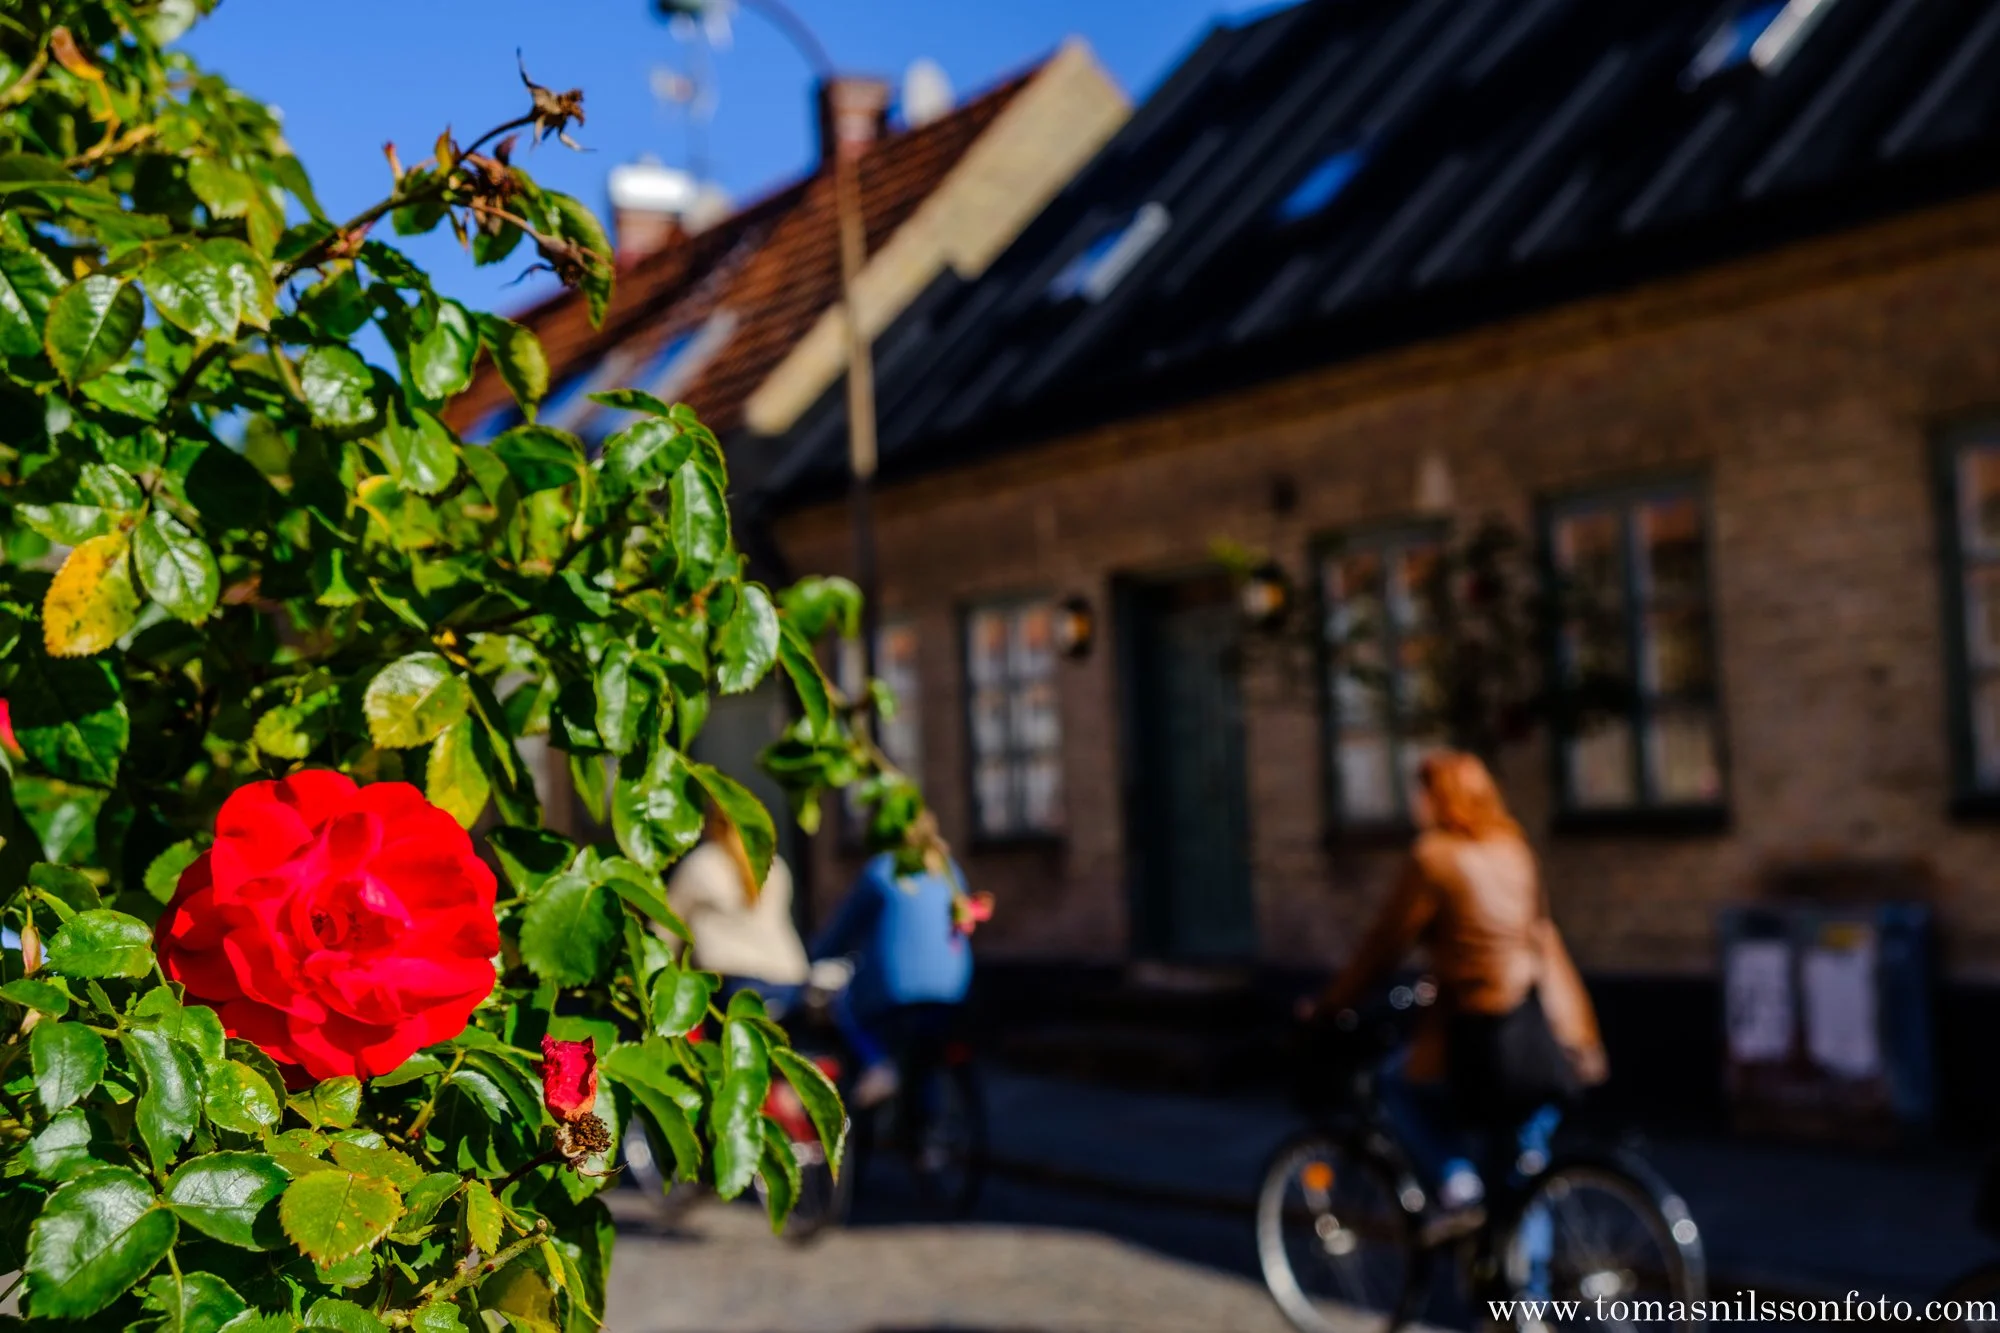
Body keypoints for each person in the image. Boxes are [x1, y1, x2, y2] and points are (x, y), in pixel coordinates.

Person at [1310, 750, 1606, 1236]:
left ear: (1438, 797)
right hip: (1547, 1026)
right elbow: (1538, 934)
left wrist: (1328, 1006)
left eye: (1420, 792)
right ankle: (1525, 1302)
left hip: (1486, 1031)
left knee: (1396, 1085)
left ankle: (1455, 1185)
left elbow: (1382, 947)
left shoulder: (1435, 857)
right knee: (1526, 1167)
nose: (1415, 804)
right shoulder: (1515, 849)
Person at [811, 815, 974, 1108]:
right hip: (954, 990)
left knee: (845, 1004)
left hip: (895, 993)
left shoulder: (882, 870)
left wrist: (814, 954)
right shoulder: (950, 872)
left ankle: (878, 1065)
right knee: (929, 1055)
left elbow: (844, 929)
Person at [666, 804, 810, 1011]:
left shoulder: (702, 865)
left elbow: (667, 927)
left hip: (735, 984)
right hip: (790, 979)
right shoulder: (775, 865)